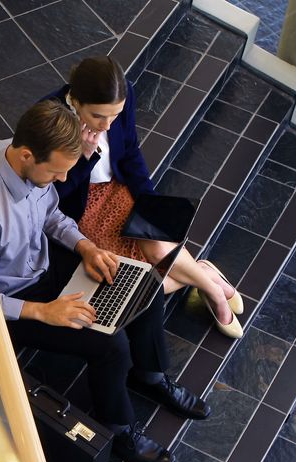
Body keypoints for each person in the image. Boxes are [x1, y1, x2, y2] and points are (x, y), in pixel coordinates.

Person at [0, 100, 210, 462]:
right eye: (56, 173)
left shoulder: (14, 152)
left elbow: (50, 215)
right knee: (111, 346)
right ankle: (120, 428)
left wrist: (86, 246)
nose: (64, 181)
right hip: (15, 300)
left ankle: (150, 376)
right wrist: (43, 312)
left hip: (41, 265)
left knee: (142, 282)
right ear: (29, 155)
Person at [43, 56, 245, 339]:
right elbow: (50, 193)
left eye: (114, 116)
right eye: (98, 117)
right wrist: (85, 155)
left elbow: (131, 151)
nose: (107, 126)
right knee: (127, 287)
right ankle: (206, 276)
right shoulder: (50, 118)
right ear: (75, 101)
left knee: (158, 250)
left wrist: (149, 203)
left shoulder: (125, 94)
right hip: (80, 203)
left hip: (118, 186)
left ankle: (213, 291)